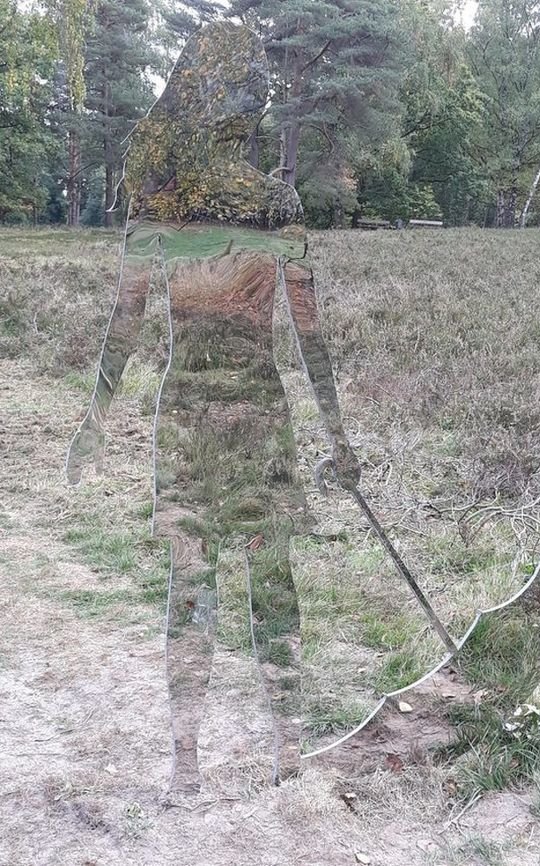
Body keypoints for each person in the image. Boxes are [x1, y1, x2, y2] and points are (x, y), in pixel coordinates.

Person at [66, 20, 360, 793]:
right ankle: (278, 754)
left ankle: (192, 763)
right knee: (269, 583)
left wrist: (91, 426)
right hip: (255, 420)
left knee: (192, 583)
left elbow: (122, 328)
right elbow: (310, 334)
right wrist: (338, 438)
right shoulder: (273, 202)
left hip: (192, 421)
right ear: (243, 103)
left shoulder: (163, 203)